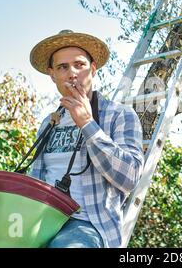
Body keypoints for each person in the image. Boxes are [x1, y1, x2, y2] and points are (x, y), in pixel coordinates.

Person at [28, 29, 144, 248]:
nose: (72, 73)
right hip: (42, 220)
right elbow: (36, 178)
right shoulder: (48, 123)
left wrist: (88, 124)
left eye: (79, 65)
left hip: (88, 224)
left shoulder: (119, 115)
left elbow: (130, 177)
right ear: (52, 75)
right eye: (63, 67)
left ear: (92, 69)